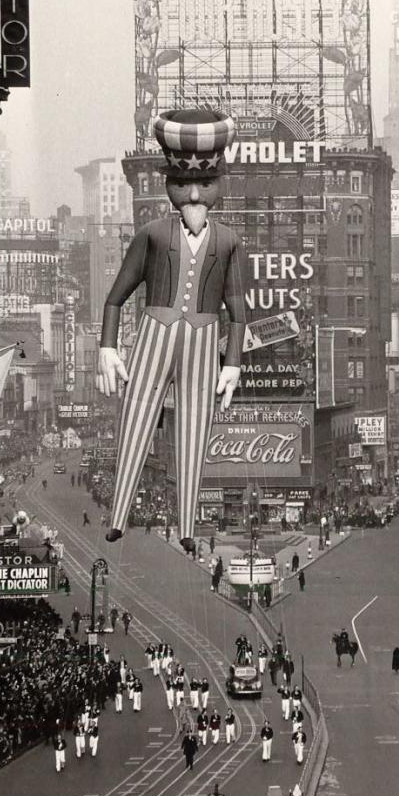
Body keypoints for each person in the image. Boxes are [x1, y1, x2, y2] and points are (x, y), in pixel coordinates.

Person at [100, 110, 247, 555]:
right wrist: (107, 346)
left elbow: (238, 311)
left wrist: (233, 362)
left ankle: (187, 524)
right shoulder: (151, 234)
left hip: (204, 338)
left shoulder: (228, 241)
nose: (195, 193)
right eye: (183, 183)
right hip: (154, 331)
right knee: (136, 417)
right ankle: (118, 515)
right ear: (170, 183)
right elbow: (116, 295)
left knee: (195, 425)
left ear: (219, 181)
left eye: (205, 183)